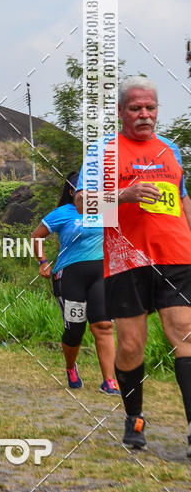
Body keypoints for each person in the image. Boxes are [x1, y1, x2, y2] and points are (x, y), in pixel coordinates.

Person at [76, 77, 191, 455]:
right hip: (128, 260)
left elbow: (182, 199)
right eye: (136, 108)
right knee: (130, 347)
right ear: (122, 112)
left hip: (176, 255)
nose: (145, 114)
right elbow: (81, 204)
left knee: (185, 335)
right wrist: (124, 194)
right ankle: (134, 416)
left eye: (151, 108)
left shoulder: (170, 149)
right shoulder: (103, 151)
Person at [32, 173, 119, 394]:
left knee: (104, 325)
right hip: (69, 277)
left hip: (101, 275)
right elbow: (36, 236)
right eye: (82, 187)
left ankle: (109, 380)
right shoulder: (63, 213)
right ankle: (70, 368)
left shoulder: (105, 207)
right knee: (75, 330)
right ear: (72, 191)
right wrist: (43, 262)